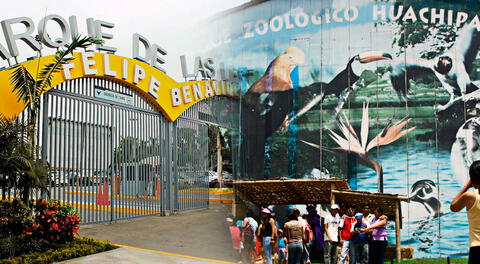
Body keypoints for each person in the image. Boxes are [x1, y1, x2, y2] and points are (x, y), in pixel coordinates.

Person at [451, 160, 480, 264]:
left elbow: (453, 207)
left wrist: (466, 186)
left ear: (472, 180)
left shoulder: (470, 196)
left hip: (477, 247)